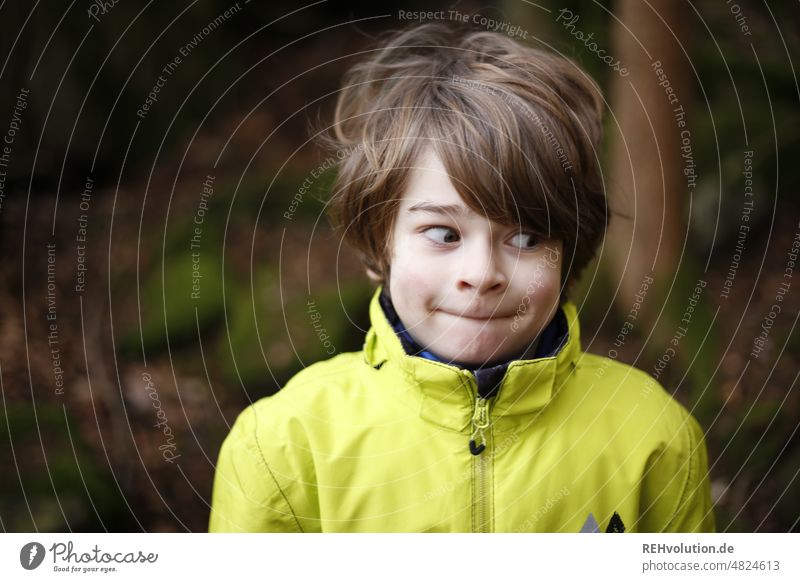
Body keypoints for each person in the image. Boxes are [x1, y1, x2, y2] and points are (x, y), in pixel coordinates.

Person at [208, 22, 715, 533]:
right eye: (443, 233)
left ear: (568, 253)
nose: (482, 275)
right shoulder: (281, 446)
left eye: (525, 238)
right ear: (379, 242)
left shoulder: (654, 437)